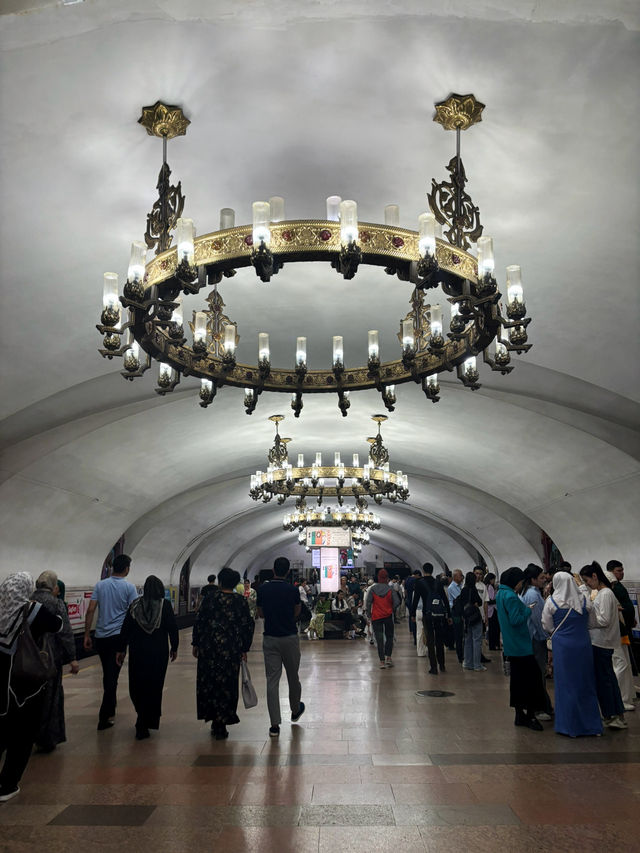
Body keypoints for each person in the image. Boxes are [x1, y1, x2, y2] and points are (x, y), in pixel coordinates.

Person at [0, 572, 62, 802]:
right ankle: (7, 785)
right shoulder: (32, 610)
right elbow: (57, 625)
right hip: (23, 684)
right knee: (23, 733)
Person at [192, 567, 254, 740]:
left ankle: (213, 718)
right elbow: (247, 625)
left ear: (220, 582)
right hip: (231, 650)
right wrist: (244, 648)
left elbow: (200, 622)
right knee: (228, 684)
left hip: (209, 649)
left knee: (209, 683)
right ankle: (223, 720)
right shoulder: (240, 601)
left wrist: (196, 643)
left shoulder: (210, 599)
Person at [116, 576, 179, 740]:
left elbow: (126, 629)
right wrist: (175, 647)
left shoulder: (135, 605)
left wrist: (121, 650)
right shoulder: (164, 605)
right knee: (154, 686)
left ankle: (141, 716)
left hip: (138, 651)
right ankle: (148, 718)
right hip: (159, 652)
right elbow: (172, 627)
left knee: (137, 685)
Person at [541, 571, 602, 737]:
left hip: (563, 647)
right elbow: (593, 623)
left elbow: (546, 625)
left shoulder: (551, 602)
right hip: (582, 644)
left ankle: (568, 725)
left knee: (566, 684)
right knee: (585, 682)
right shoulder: (584, 601)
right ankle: (591, 725)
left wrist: (560, 633)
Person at [83, 554, 138, 730]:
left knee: (108, 673)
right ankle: (104, 716)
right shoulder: (129, 588)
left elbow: (91, 609)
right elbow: (134, 612)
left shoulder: (100, 585)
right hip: (118, 638)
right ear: (127, 568)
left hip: (101, 637)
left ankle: (111, 708)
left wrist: (86, 634)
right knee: (112, 676)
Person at [256, 557, 305, 737]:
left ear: (273, 569)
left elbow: (260, 613)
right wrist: (288, 620)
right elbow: (297, 610)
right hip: (290, 637)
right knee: (293, 676)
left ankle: (274, 725)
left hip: (270, 637)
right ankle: (294, 709)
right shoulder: (292, 589)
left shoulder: (263, 589)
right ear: (287, 571)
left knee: (272, 680)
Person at [31, 571, 79, 752]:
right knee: (51, 697)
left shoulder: (26, 601)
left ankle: (27, 735)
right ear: (54, 586)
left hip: (28, 658)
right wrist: (73, 658)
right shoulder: (56, 604)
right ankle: (48, 737)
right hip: (50, 658)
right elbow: (65, 633)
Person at [496, 567, 547, 731]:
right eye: (519, 583)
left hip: (511, 644)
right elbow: (516, 619)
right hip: (521, 645)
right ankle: (531, 715)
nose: (520, 586)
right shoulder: (510, 596)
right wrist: (528, 609)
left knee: (517, 682)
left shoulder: (500, 594)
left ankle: (519, 714)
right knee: (533, 681)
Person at [579, 562, 627, 729]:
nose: (586, 584)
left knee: (605, 681)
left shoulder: (605, 594)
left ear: (594, 576)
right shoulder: (601, 593)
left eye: (587, 581)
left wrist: (590, 617)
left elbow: (604, 620)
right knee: (608, 679)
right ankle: (616, 713)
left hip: (602, 642)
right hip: (600, 642)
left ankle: (612, 715)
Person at [519, 565, 554, 720]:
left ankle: (543, 705)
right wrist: (546, 637)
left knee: (534, 674)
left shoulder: (524, 592)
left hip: (528, 637)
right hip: (536, 639)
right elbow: (538, 620)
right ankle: (539, 708)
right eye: (540, 577)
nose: (544, 579)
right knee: (538, 674)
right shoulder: (533, 595)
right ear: (533, 580)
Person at [410, 563, 451, 675]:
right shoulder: (438, 582)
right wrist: (448, 614)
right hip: (438, 614)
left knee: (430, 640)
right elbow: (444, 599)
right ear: (432, 570)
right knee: (439, 639)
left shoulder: (419, 583)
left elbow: (415, 600)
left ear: (423, 571)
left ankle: (433, 667)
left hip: (427, 614)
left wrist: (412, 614)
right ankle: (442, 665)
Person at [606, 560, 637, 710]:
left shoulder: (617, 587)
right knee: (621, 664)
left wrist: (630, 619)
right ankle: (620, 698)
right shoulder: (609, 591)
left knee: (625, 664)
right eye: (619, 570)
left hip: (623, 629)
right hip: (615, 633)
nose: (622, 573)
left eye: (622, 570)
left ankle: (627, 694)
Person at [365, 569, 400, 668]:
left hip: (376, 617)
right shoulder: (390, 589)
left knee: (379, 639)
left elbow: (368, 603)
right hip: (388, 616)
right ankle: (388, 657)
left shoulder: (372, 589)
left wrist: (369, 614)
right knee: (389, 636)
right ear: (387, 578)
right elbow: (397, 601)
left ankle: (381, 661)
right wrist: (391, 609)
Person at [460, 571, 484, 671]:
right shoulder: (473, 589)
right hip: (475, 617)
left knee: (468, 640)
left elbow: (461, 603)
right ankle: (477, 665)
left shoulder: (464, 589)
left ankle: (467, 662)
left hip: (466, 617)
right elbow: (480, 602)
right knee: (477, 640)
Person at [474, 566, 491, 663]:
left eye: (480, 574)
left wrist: (486, 617)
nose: (478, 575)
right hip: (471, 616)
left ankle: (479, 655)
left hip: (480, 615)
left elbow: (485, 602)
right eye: (477, 573)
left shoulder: (483, 586)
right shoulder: (467, 585)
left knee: (479, 638)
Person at [447, 570, 465, 663]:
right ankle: (460, 656)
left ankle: (463, 653)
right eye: (460, 576)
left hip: (460, 611)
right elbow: (460, 597)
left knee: (462, 634)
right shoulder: (452, 587)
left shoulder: (460, 585)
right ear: (455, 577)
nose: (462, 577)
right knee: (458, 634)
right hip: (455, 612)